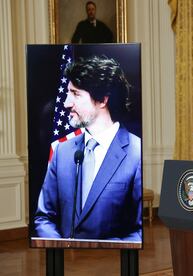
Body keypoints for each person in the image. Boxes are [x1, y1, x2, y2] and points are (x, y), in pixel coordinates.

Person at [34, 56, 142, 242]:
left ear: (102, 100)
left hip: (110, 265)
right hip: (66, 264)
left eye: (75, 94)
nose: (67, 103)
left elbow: (139, 230)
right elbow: (44, 218)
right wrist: (60, 246)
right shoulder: (62, 151)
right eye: (68, 93)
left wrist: (103, 251)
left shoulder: (136, 152)